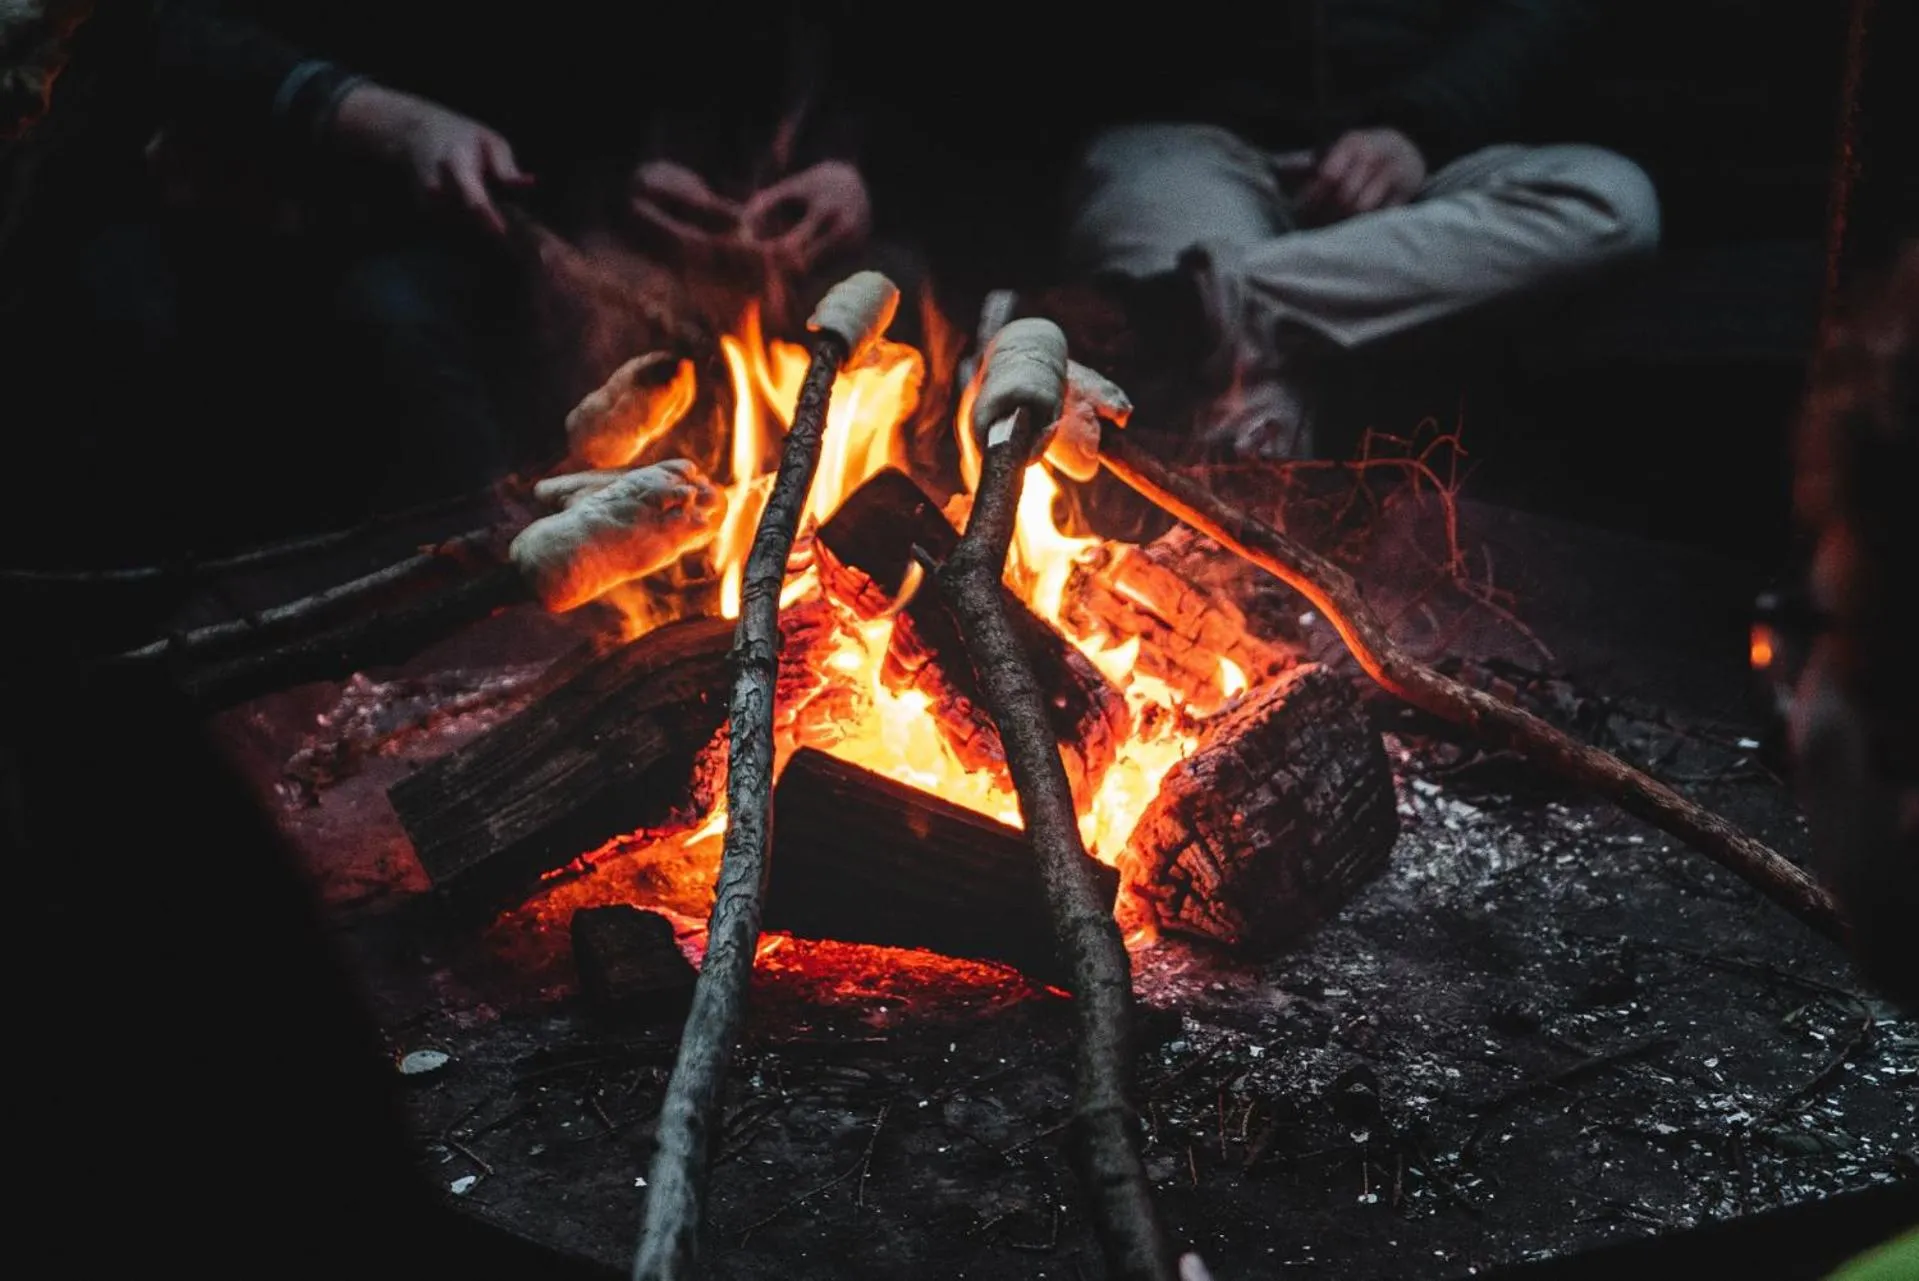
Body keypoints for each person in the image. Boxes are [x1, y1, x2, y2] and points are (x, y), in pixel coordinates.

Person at [15, 2, 879, 560]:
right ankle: (489, 605)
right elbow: (151, 39)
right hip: (251, 212)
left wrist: (631, 176)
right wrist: (371, 117)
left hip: (517, 204)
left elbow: (630, 65)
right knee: (392, 317)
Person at [1057, 0, 1661, 460]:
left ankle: (1187, 306)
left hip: (1428, 161)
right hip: (1200, 147)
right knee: (1230, 407)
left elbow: (1542, 18)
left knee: (1610, 203)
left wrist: (1418, 128)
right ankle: (1229, 593)